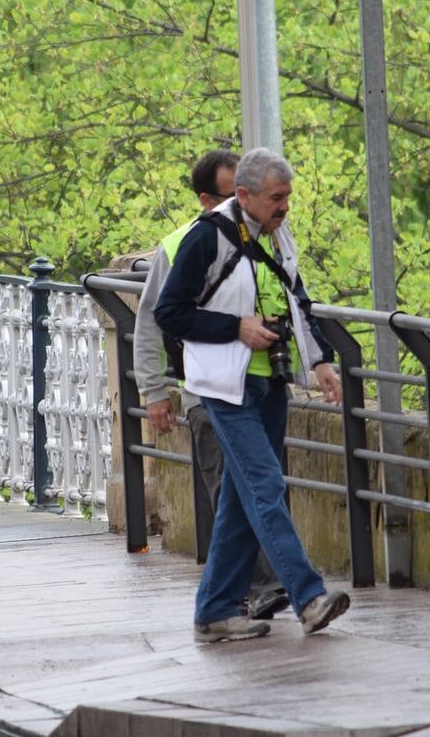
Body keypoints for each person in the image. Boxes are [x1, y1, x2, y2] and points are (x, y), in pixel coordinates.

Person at [156, 148, 350, 643]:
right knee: (265, 485)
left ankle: (216, 610)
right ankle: (308, 598)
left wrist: (321, 360)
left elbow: (297, 299)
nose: (284, 207)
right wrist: (236, 328)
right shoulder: (206, 238)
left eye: (287, 197)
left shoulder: (277, 235)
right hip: (225, 384)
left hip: (270, 380)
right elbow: (170, 313)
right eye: (276, 198)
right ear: (243, 196)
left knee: (243, 501)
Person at [133, 150, 291, 621]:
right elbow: (152, 320)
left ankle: (231, 596)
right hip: (208, 390)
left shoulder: (270, 238)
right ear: (209, 199)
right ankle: (261, 586)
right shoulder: (185, 242)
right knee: (235, 488)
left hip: (259, 383)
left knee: (254, 489)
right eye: (229, 196)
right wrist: (155, 389)